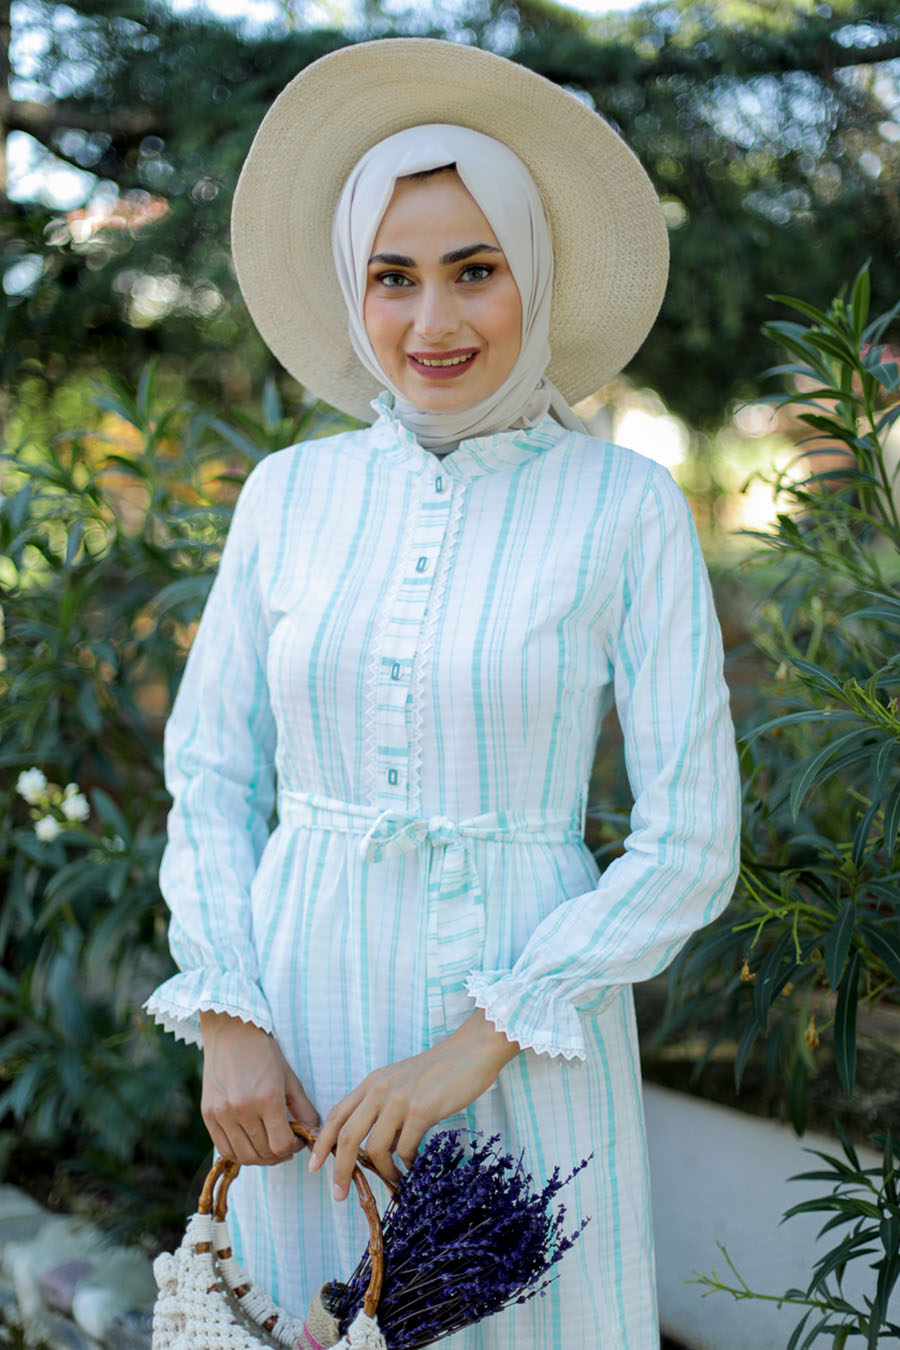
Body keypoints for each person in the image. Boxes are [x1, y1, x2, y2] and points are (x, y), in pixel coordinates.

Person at [145, 37, 741, 1349]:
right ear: (353, 293)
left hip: (525, 1039)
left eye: (476, 270)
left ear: (532, 269)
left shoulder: (624, 509)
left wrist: (478, 1042)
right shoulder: (288, 498)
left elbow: (690, 844)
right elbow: (210, 773)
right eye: (394, 277)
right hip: (300, 1044)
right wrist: (230, 1016)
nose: (434, 322)